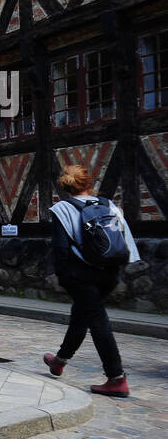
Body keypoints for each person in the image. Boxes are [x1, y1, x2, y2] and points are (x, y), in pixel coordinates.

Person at [43, 164, 140, 397]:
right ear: (88, 183)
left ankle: (116, 378)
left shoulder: (62, 209)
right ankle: (59, 360)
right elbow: (125, 238)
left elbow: (61, 250)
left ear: (65, 187)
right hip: (110, 272)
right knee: (82, 315)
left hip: (81, 276)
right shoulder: (108, 205)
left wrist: (64, 278)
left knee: (97, 321)